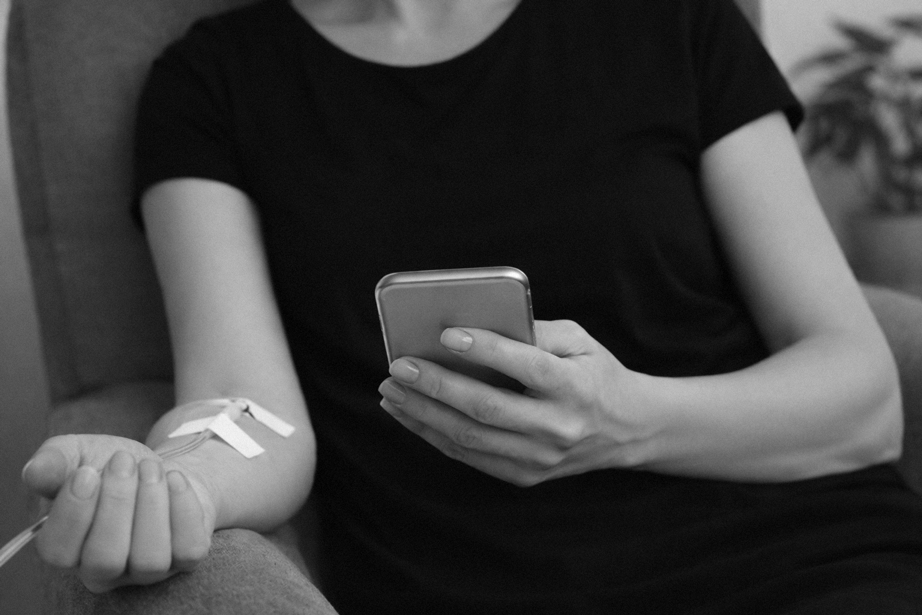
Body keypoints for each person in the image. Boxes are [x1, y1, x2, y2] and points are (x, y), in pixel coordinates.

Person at [21, 0, 922, 612]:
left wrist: (627, 420)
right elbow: (241, 406)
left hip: (810, 565)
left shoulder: (671, 18)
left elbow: (866, 399)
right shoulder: (213, 82)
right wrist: (172, 481)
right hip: (469, 585)